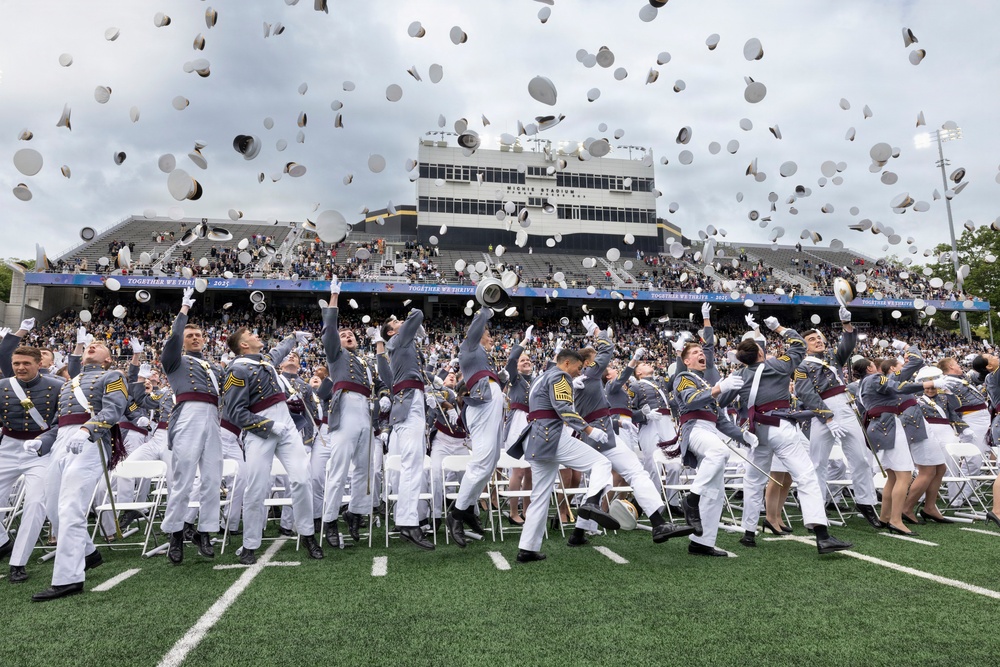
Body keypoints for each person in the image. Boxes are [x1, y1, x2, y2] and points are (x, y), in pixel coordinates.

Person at [733, 314, 852, 555]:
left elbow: (728, 401)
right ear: (760, 353)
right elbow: (798, 344)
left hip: (757, 432)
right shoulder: (776, 365)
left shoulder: (740, 376)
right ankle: (822, 535)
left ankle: (748, 533)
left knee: (754, 481)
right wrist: (778, 327)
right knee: (806, 477)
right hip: (780, 427)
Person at [569, 316, 691, 547]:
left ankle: (579, 533)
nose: (602, 365)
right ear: (586, 363)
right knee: (634, 473)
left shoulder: (576, 381)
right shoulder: (591, 375)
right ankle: (658, 522)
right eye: (595, 361)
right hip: (602, 434)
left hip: (598, 433)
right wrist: (597, 331)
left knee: (608, 476)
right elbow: (608, 348)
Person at [33, 340, 128, 601]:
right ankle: (88, 553)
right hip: (62, 442)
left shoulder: (112, 376)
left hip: (91, 440)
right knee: (53, 507)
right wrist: (42, 441)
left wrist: (88, 429)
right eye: (90, 344)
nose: (93, 345)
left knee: (70, 508)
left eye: (100, 345)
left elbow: (113, 409)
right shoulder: (68, 384)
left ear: (108, 359)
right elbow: (57, 422)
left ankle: (68, 578)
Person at [223, 326, 324, 564]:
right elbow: (235, 412)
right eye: (250, 334)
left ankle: (307, 534)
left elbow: (277, 353)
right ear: (243, 345)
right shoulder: (236, 369)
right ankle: (250, 544)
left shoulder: (265, 362)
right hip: (261, 430)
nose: (256, 335)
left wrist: (292, 338)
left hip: (286, 424)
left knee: (301, 479)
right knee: (256, 487)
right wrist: (268, 425)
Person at [511, 348, 620, 563]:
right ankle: (591, 502)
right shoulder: (560, 376)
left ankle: (527, 548)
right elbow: (563, 408)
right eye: (578, 369)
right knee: (601, 462)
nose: (579, 373)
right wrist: (589, 430)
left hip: (537, 439)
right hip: (552, 436)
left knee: (540, 496)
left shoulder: (541, 377)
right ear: (568, 363)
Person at [855, 343, 958, 535]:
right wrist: (931, 383)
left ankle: (885, 517)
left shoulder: (861, 385)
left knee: (893, 477)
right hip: (889, 426)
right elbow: (897, 386)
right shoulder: (875, 378)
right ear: (870, 368)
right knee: (903, 475)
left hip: (881, 426)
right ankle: (896, 519)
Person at [795, 305, 882, 529]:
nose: (818, 341)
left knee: (861, 459)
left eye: (819, 337)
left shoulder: (832, 358)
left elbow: (848, 344)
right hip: (822, 410)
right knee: (818, 462)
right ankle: (816, 508)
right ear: (804, 346)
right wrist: (828, 418)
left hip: (845, 405)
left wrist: (846, 325)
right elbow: (806, 393)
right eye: (812, 339)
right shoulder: (801, 365)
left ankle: (865, 502)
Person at [319, 277, 388, 546]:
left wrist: (384, 396)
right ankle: (329, 520)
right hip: (345, 406)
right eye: (344, 334)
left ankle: (355, 513)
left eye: (351, 334)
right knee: (338, 469)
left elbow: (380, 384)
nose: (347, 336)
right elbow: (330, 329)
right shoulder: (335, 354)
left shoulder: (366, 362)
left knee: (365, 469)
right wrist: (334, 297)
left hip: (365, 412)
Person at [160, 287, 224, 563]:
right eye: (190, 335)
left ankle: (206, 531)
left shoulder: (214, 367)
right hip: (188, 413)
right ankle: (175, 534)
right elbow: (174, 338)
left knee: (211, 479)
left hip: (213, 416)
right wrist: (184, 310)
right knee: (183, 479)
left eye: (198, 335)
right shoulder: (175, 360)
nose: (195, 338)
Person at [0, 346, 64, 584]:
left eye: (26, 363)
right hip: (7, 447)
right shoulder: (3, 387)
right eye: (16, 363)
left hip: (40, 450)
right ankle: (3, 542)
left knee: (36, 503)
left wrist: (42, 441)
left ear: (39, 364)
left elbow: (62, 423)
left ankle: (18, 561)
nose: (20, 368)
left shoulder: (57, 387)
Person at [448, 307, 506, 547]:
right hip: (482, 404)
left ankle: (467, 508)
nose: (491, 338)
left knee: (490, 462)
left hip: (491, 402)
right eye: (487, 334)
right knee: (483, 461)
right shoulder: (469, 347)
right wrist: (485, 307)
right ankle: (457, 513)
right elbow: (477, 325)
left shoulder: (484, 355)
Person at [903, 366, 961, 524]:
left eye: (934, 386)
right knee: (926, 471)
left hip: (940, 431)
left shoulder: (944, 397)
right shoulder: (914, 397)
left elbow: (956, 410)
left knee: (940, 468)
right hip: (923, 432)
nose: (930, 389)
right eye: (927, 386)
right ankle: (906, 508)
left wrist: (949, 392)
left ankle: (930, 507)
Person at [937, 356, 990, 507]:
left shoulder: (958, 378)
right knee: (973, 459)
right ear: (951, 367)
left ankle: (966, 493)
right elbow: (948, 407)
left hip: (980, 417)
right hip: (971, 418)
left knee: (980, 456)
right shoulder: (948, 382)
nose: (959, 366)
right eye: (956, 364)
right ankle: (959, 497)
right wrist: (962, 427)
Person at [503, 327, 535, 525]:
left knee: (531, 469)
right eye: (523, 360)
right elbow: (509, 363)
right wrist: (523, 342)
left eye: (528, 360)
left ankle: (528, 510)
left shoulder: (535, 379)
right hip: (517, 420)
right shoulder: (514, 378)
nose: (526, 362)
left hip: (533, 421)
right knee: (519, 470)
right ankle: (513, 511)